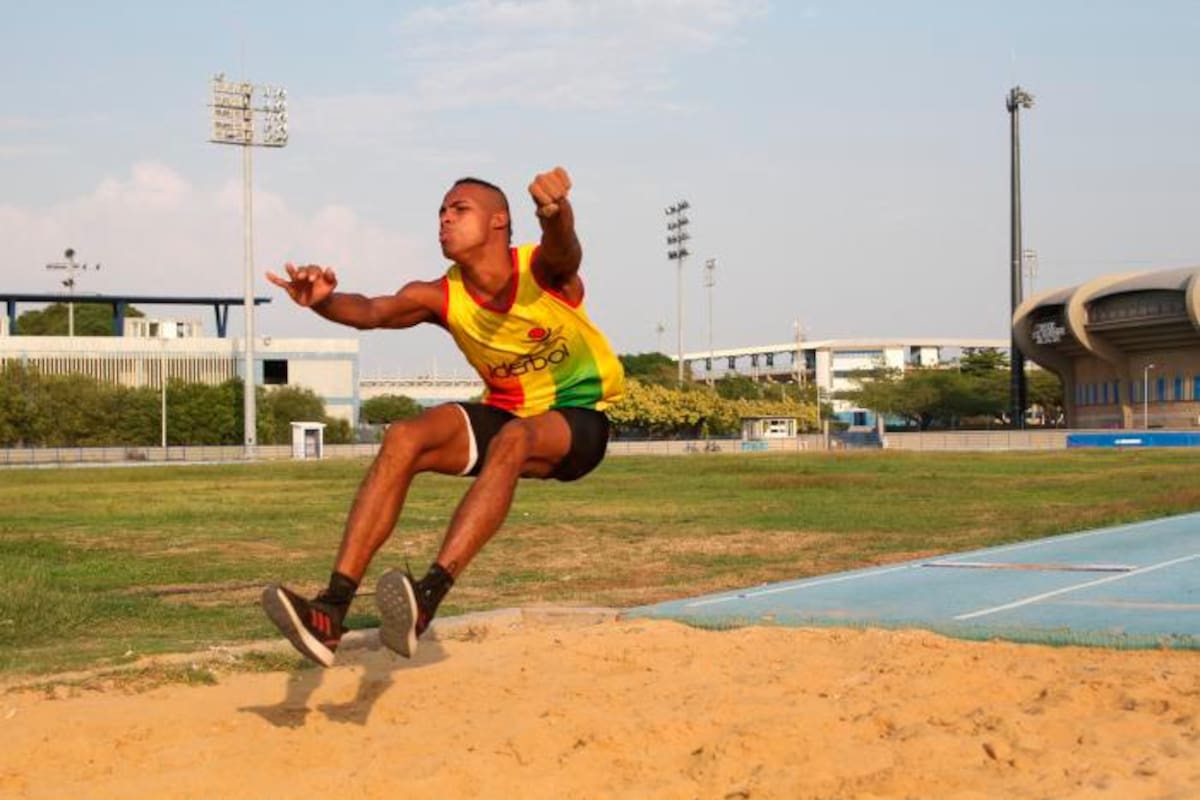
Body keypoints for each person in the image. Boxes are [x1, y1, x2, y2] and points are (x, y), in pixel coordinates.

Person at [261, 167, 625, 666]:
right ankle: (329, 613)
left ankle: (427, 598)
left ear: (499, 222)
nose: (444, 220)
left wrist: (555, 212)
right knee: (404, 436)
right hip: (507, 415)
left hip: (579, 418)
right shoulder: (440, 295)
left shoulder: (542, 270)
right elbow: (372, 310)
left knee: (515, 439)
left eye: (459, 210)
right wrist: (323, 303)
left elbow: (565, 247)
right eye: (440, 212)